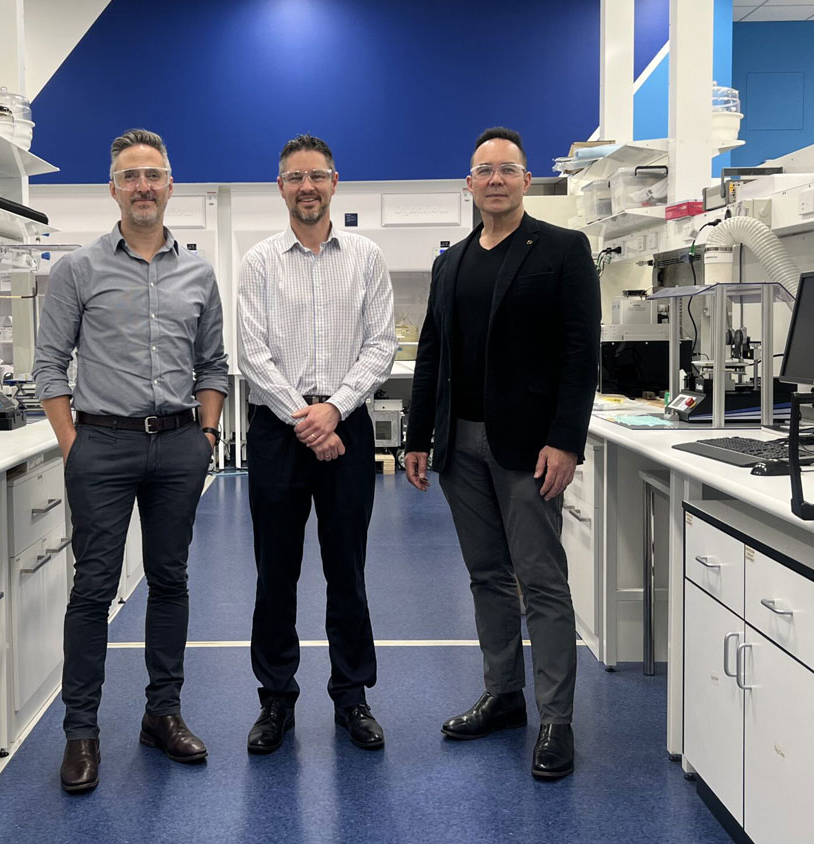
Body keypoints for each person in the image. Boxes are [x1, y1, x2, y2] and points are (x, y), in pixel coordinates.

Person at [34, 128, 228, 793]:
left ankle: (161, 715)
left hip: (179, 445)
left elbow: (214, 365)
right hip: (103, 445)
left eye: (154, 174)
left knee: (170, 581)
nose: (143, 185)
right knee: (94, 588)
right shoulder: (78, 269)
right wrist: (73, 445)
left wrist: (205, 436)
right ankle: (81, 732)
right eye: (130, 175)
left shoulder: (199, 272)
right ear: (113, 188)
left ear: (170, 185)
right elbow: (49, 368)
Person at [403, 127, 599, 780]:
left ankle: (557, 721)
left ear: (524, 179)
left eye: (506, 169)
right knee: (487, 576)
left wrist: (566, 440)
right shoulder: (450, 263)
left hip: (529, 448)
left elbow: (580, 354)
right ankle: (504, 696)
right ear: (469, 183)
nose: (494, 179)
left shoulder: (563, 250)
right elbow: (433, 352)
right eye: (482, 169)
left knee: (541, 582)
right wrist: (415, 436)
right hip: (460, 444)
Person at [237, 134, 397, 753]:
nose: (307, 186)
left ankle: (352, 696)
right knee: (275, 573)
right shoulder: (258, 262)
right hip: (280, 431)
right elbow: (252, 353)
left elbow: (380, 344)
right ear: (281, 187)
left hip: (346, 424)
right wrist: (305, 419)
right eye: (295, 177)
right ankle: (275, 700)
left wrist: (333, 410)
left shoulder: (366, 257)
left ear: (335, 182)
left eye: (318, 176)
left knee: (346, 570)